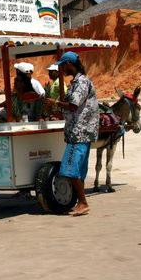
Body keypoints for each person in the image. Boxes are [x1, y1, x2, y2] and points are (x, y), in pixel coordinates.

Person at [44, 52, 99, 216]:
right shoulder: (77, 82)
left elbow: (73, 105)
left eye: (62, 65)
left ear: (69, 64)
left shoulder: (81, 82)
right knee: (78, 170)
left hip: (79, 132)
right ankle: (80, 202)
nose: (61, 68)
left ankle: (83, 202)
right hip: (79, 132)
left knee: (70, 168)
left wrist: (54, 103)